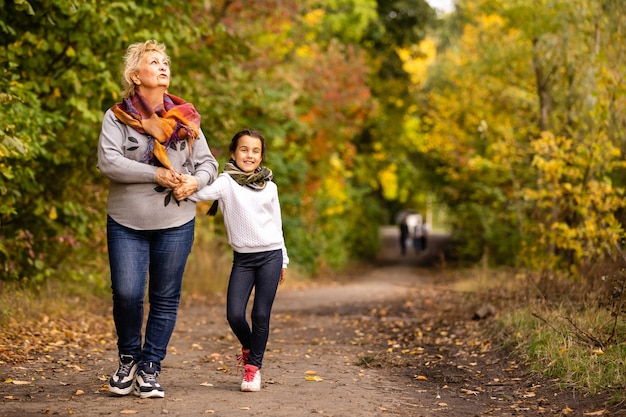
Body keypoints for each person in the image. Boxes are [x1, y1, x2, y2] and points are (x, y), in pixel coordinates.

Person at [97, 40, 219, 399]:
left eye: (166, 61)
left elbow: (208, 163)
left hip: (176, 223)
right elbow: (109, 162)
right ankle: (128, 359)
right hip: (126, 222)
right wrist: (155, 175)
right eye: (154, 62)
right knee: (127, 294)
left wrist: (196, 181)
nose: (164, 66)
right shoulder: (117, 116)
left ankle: (150, 366)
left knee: (165, 297)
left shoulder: (185, 117)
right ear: (136, 75)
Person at [179, 129, 288, 392]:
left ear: (261, 156)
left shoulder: (270, 187)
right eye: (244, 149)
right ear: (233, 152)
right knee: (234, 314)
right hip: (243, 259)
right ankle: (250, 347)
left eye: (255, 151)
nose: (249, 155)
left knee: (261, 314)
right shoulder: (227, 183)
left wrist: (283, 258)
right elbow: (198, 193)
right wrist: (181, 178)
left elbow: (277, 224)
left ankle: (253, 369)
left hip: (271, 255)